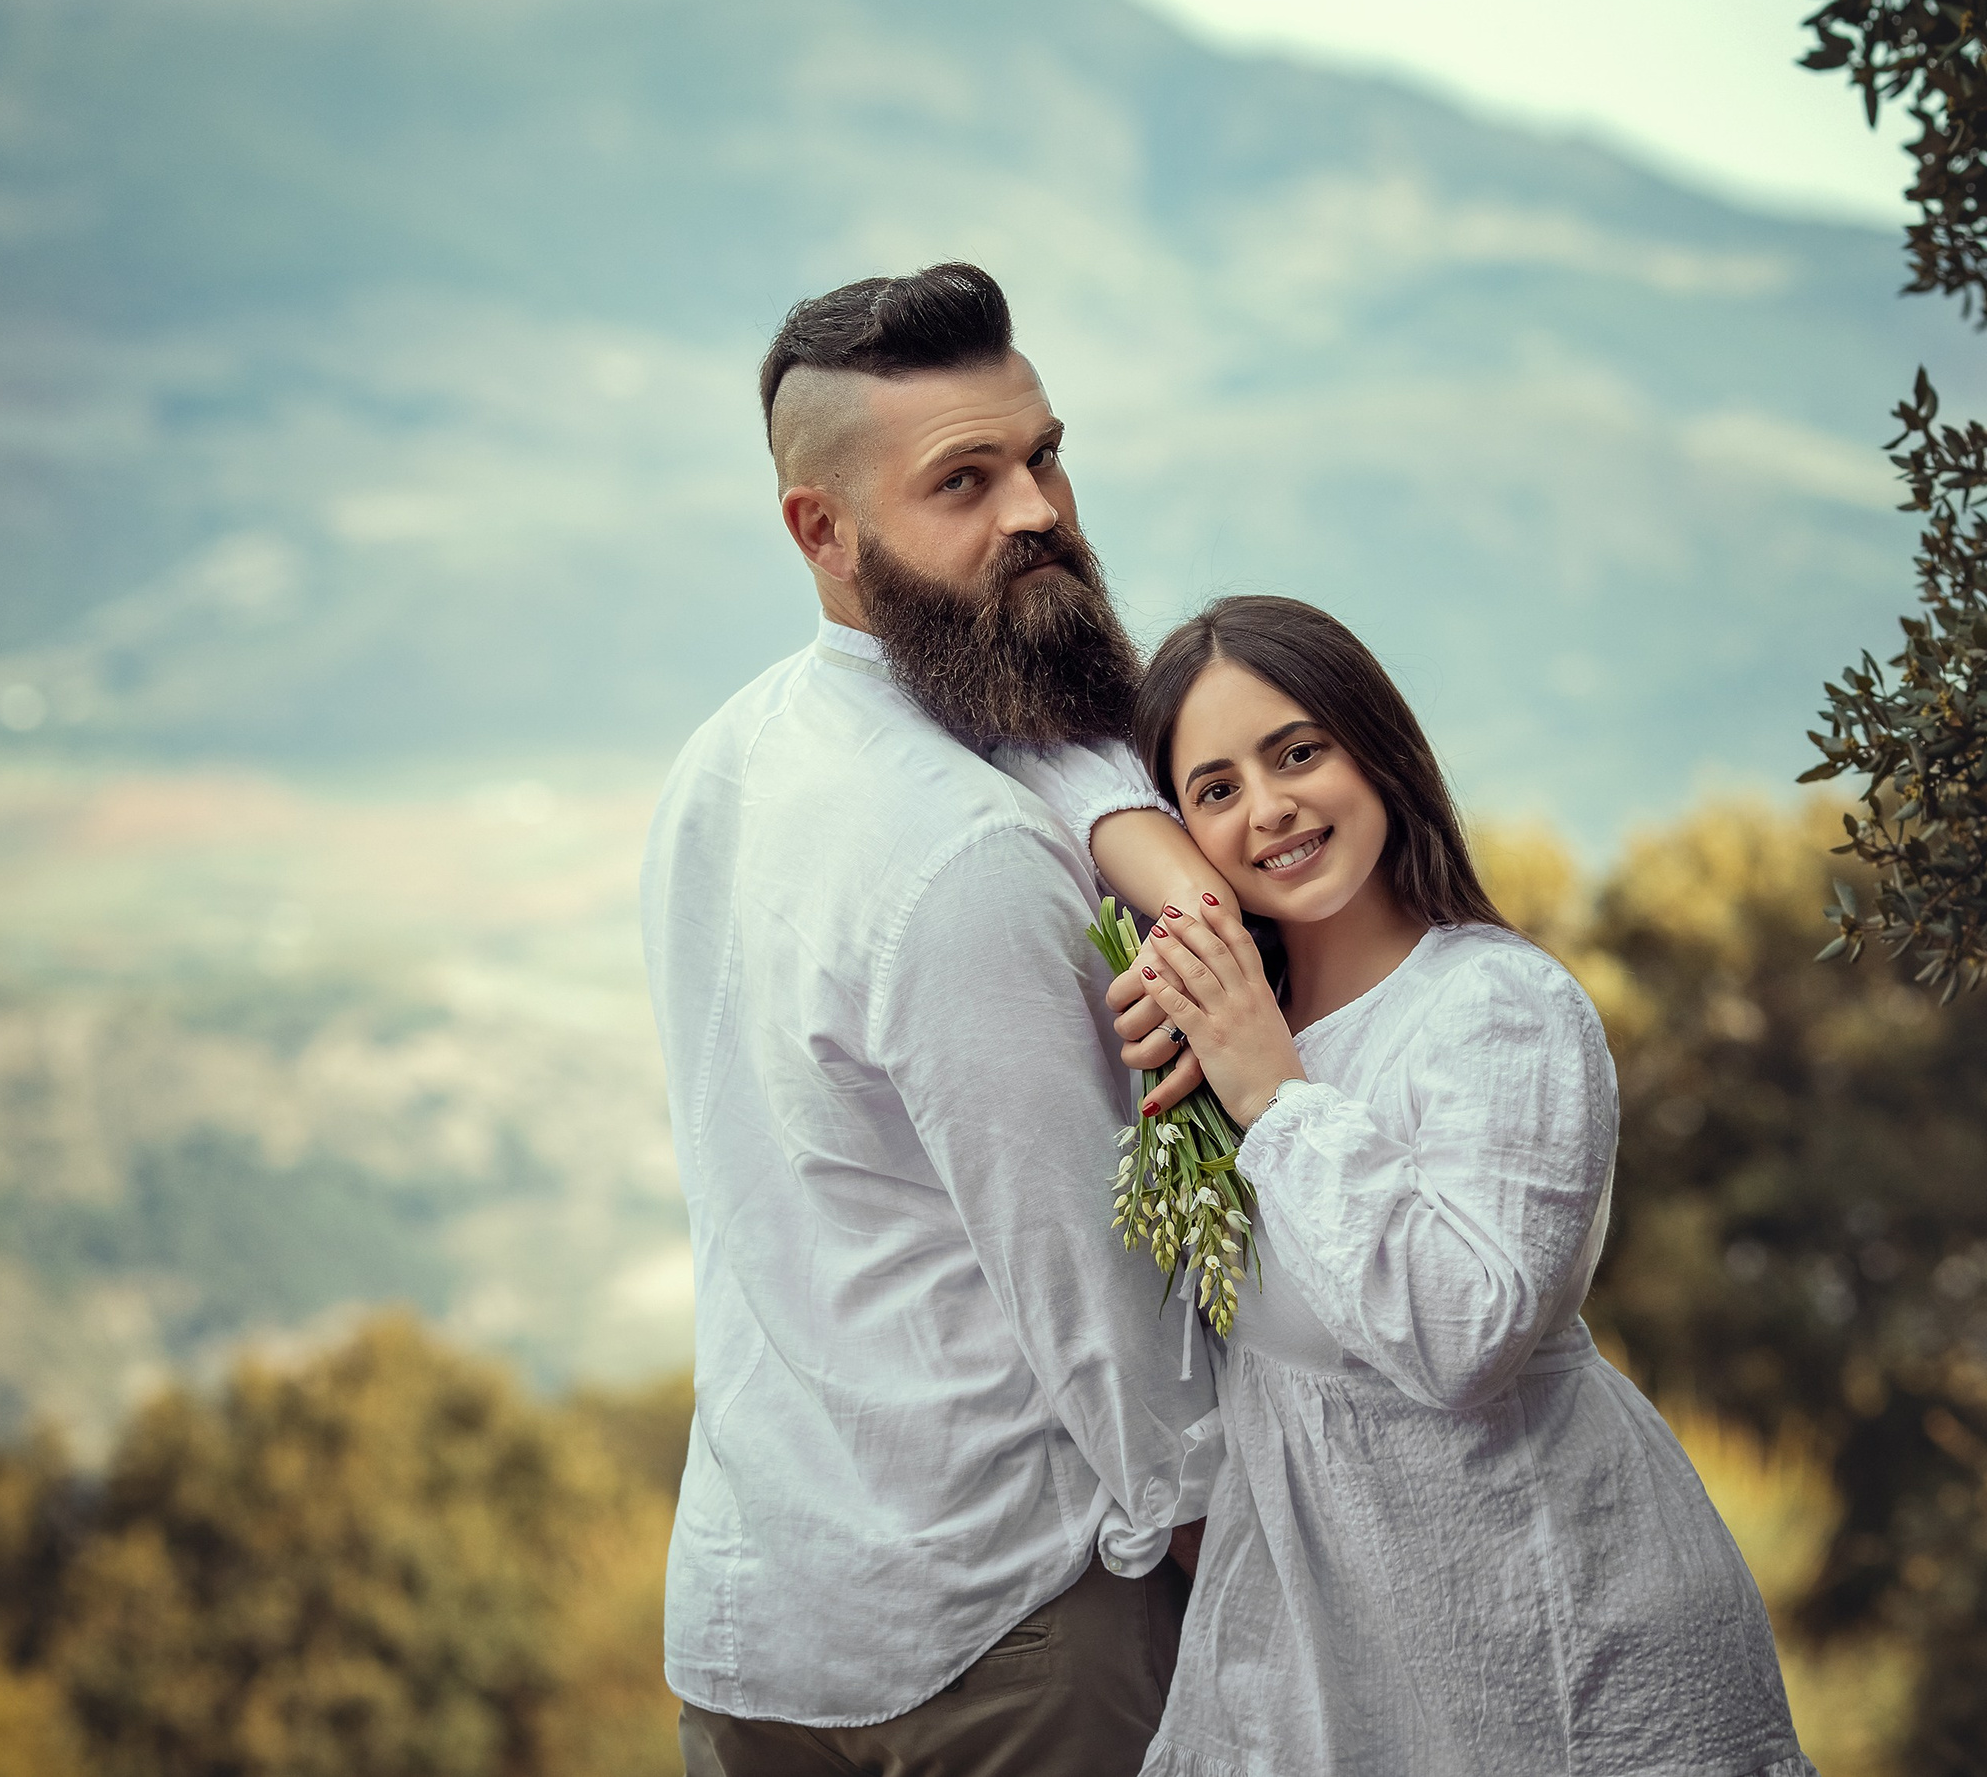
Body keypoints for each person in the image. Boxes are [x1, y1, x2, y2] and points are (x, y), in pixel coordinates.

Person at [641, 262, 1231, 1775]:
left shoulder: (724, 757)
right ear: (819, 530)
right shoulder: (965, 854)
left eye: (1041, 454)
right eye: (963, 480)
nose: (1034, 508)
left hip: (756, 1611)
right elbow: (1088, 1268)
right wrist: (1213, 1537)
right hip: (1006, 1633)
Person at [1100, 595, 1814, 1777]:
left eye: (1297, 752)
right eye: (1214, 789)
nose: (1269, 807)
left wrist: (1278, 1100)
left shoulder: (1496, 1006)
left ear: (1377, 751)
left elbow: (1462, 1334)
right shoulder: (1227, 1032)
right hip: (1332, 1658)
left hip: (1553, 1633)